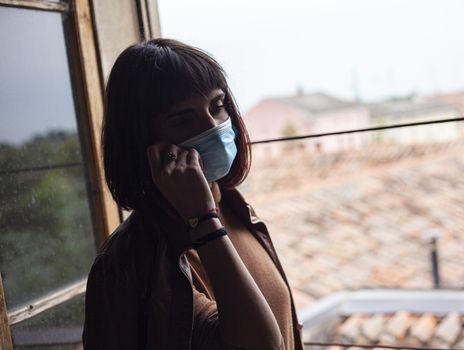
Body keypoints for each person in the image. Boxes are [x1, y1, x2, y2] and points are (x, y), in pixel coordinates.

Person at [82, 38, 305, 350]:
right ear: (143, 141)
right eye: (183, 119)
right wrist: (202, 219)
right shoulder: (129, 264)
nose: (212, 126)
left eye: (217, 106)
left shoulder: (237, 211)